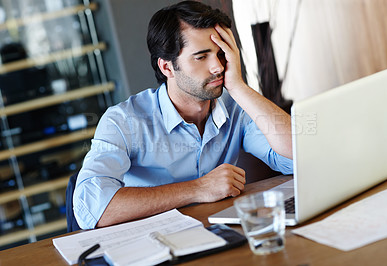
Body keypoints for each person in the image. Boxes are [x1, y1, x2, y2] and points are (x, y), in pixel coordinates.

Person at [73, 0, 293, 229]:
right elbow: (92, 209)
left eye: (221, 54)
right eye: (201, 56)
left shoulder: (235, 105)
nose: (218, 67)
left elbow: (297, 157)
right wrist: (199, 188)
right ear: (167, 68)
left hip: (221, 237)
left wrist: (238, 87)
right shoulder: (123, 121)